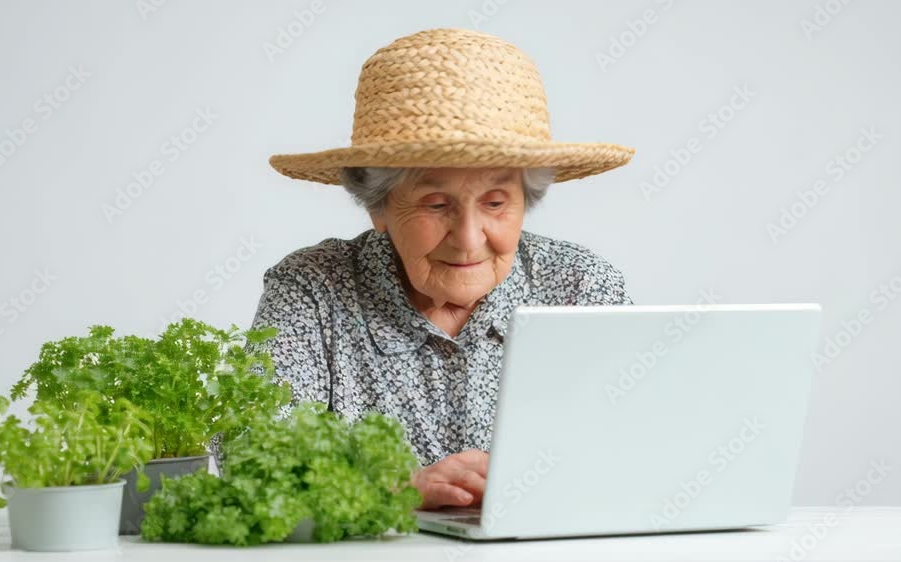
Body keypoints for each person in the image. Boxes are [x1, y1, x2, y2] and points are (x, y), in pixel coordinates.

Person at [243, 28, 635, 510]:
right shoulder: (313, 288)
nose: (469, 238)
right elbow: (253, 458)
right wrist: (391, 491)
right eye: (435, 204)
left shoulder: (579, 286)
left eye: (496, 202)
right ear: (379, 207)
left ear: (525, 202)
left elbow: (638, 450)